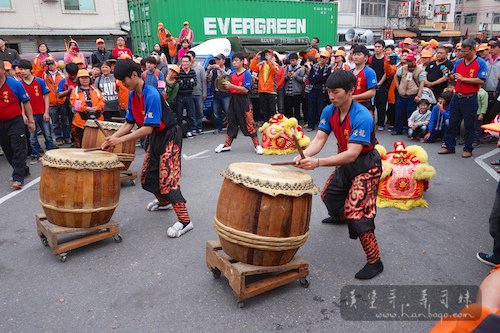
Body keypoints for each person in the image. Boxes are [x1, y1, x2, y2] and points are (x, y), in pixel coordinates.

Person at [293, 70, 383, 280]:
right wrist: (304, 155)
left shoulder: (362, 116)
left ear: (351, 91)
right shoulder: (329, 110)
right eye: (329, 92)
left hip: (366, 166)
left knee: (357, 212)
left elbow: (352, 154)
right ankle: (341, 217)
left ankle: (375, 261)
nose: (331, 96)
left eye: (336, 92)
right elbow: (319, 140)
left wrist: (316, 163)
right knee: (328, 195)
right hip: (345, 162)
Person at [103, 59, 193, 238]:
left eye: (123, 80)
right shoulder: (132, 95)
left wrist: (118, 141)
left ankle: (185, 221)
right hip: (156, 137)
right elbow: (130, 122)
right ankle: (163, 203)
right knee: (147, 176)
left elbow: (147, 128)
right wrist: (113, 137)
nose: (122, 84)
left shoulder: (151, 94)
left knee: (168, 179)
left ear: (134, 76)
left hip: (170, 136)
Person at [439, 38, 488, 158]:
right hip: (457, 96)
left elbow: (481, 80)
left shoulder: (480, 63)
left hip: (470, 98)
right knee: (452, 123)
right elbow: (454, 77)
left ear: (473, 50)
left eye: (465, 51)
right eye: (461, 51)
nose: (462, 54)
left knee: (469, 125)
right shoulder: (459, 62)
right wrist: (449, 75)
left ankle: (468, 148)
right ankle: (449, 146)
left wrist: (463, 79)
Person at [214, 53, 264, 155]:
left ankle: (257, 145)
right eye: (233, 61)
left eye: (237, 60)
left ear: (242, 61)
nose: (234, 63)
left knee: (249, 122)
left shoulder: (247, 74)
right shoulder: (231, 74)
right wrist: (224, 87)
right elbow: (228, 88)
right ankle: (227, 144)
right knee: (231, 122)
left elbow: (245, 90)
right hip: (233, 100)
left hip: (244, 100)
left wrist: (231, 86)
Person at [0, 60, 35, 190]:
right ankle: (23, 170)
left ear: (3, 70)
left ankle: (18, 178)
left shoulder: (15, 84)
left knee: (18, 149)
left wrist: (31, 121)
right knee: (7, 150)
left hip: (15, 122)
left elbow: (26, 102)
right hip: (0, 124)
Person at [18, 59, 57, 164]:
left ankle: (51, 153)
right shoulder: (20, 84)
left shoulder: (39, 81)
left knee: (48, 134)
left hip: (42, 112)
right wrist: (23, 114)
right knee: (32, 137)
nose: (22, 71)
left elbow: (46, 97)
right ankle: (35, 155)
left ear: (30, 69)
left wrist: (46, 112)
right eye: (20, 69)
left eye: (25, 69)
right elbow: (21, 101)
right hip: (30, 115)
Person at [69, 69, 105, 147]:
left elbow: (101, 101)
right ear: (79, 79)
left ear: (90, 79)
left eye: (86, 77)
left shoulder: (96, 90)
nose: (85, 80)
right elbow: (74, 102)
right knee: (83, 142)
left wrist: (97, 107)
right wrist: (86, 108)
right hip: (81, 122)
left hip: (97, 120)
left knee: (96, 142)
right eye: (82, 78)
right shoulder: (75, 91)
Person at [393, 52, 425, 135]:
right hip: (402, 94)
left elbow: (422, 83)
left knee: (411, 114)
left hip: (412, 95)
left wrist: (419, 95)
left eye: (411, 61)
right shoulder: (403, 68)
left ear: (415, 61)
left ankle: (410, 130)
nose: (409, 62)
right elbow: (396, 76)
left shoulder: (420, 70)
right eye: (408, 61)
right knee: (399, 113)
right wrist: (398, 86)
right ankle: (397, 129)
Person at [44, 58, 70, 146]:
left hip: (62, 101)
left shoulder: (63, 75)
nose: (50, 65)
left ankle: (67, 137)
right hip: (51, 103)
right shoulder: (44, 76)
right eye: (49, 64)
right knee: (55, 123)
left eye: (52, 63)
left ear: (56, 64)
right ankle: (59, 138)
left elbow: (66, 87)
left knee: (65, 121)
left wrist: (64, 98)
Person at [249, 49, 280, 122]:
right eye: (266, 55)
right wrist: (256, 58)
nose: (266, 56)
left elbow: (275, 71)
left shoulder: (274, 64)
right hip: (262, 90)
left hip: (271, 91)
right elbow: (252, 68)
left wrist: (269, 62)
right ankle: (266, 124)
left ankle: (273, 124)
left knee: (272, 110)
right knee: (264, 109)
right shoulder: (261, 65)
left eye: (268, 55)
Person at [305, 50, 330, 131]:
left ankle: (321, 125)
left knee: (321, 108)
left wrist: (316, 76)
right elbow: (311, 78)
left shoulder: (328, 68)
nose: (322, 59)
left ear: (327, 59)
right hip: (312, 89)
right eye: (321, 57)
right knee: (311, 107)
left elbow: (325, 79)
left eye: (324, 57)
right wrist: (319, 77)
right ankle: (310, 125)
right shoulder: (314, 66)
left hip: (322, 91)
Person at [207, 53, 231, 133]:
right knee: (216, 112)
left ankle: (231, 126)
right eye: (216, 59)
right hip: (216, 93)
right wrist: (208, 70)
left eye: (219, 59)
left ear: (223, 61)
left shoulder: (228, 69)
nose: (216, 61)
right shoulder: (213, 71)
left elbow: (228, 77)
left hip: (225, 93)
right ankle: (218, 127)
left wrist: (220, 69)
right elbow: (208, 79)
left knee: (228, 111)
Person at [352, 45, 377, 115]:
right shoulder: (349, 72)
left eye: (359, 54)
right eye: (354, 54)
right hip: (350, 105)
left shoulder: (369, 72)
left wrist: (353, 97)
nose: (356, 57)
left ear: (365, 57)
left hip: (365, 105)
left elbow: (372, 92)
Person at [176, 55, 197, 137]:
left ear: (190, 63)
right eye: (183, 62)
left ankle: (192, 129)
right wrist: (188, 82)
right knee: (179, 115)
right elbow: (179, 84)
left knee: (191, 114)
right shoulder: (179, 72)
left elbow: (194, 83)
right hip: (180, 95)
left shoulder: (192, 71)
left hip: (189, 95)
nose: (184, 63)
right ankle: (179, 132)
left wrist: (184, 82)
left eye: (186, 62)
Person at [369, 40, 388, 130]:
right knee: (371, 105)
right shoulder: (371, 58)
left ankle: (381, 123)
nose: (377, 48)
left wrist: (380, 83)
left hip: (382, 85)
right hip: (372, 84)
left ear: (383, 48)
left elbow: (386, 72)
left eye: (379, 47)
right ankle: (371, 122)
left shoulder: (385, 59)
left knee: (381, 105)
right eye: (375, 46)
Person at [187, 51, 207, 134]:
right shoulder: (186, 68)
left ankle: (199, 127)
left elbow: (204, 81)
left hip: (198, 93)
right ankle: (193, 128)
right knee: (191, 112)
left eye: (190, 57)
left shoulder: (200, 68)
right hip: (189, 93)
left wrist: (204, 93)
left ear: (194, 58)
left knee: (199, 111)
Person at [56, 62, 79, 134]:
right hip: (69, 105)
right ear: (67, 73)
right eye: (71, 75)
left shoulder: (82, 79)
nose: (73, 77)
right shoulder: (64, 81)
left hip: (81, 103)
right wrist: (68, 91)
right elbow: (59, 94)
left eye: (75, 74)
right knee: (70, 123)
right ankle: (74, 139)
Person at [284, 53, 305, 121]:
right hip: (287, 91)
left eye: (293, 60)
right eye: (291, 60)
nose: (292, 62)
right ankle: (288, 122)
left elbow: (303, 80)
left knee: (297, 108)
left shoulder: (301, 69)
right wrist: (287, 76)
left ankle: (297, 122)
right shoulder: (286, 68)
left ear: (297, 60)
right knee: (288, 108)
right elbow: (283, 79)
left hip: (297, 92)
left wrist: (296, 76)